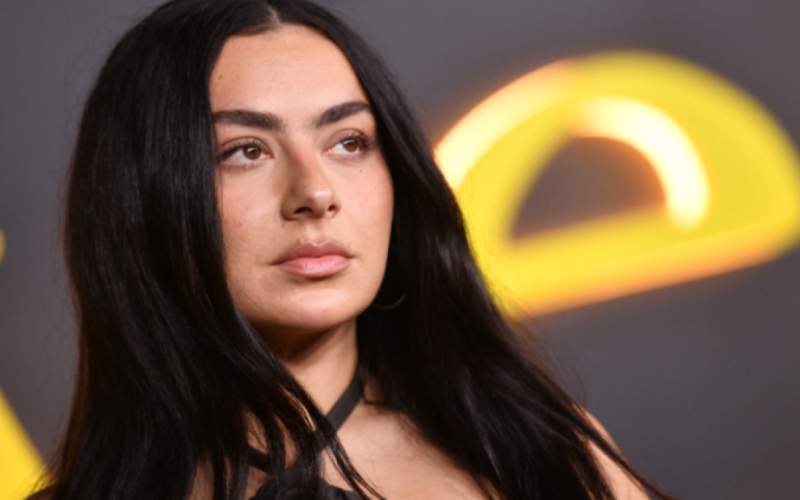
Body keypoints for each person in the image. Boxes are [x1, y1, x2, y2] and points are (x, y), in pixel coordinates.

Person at [37, 0, 673, 499]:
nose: (315, 193)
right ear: (143, 196)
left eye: (349, 142)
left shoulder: (546, 455)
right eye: (245, 151)